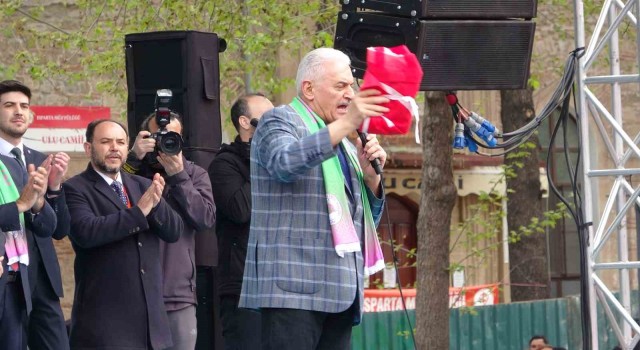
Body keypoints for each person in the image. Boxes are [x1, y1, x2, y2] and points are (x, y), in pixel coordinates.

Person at [239, 48, 389, 349]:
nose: (350, 94)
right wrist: (347, 126)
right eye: (340, 86)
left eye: (351, 85)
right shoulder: (279, 121)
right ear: (308, 88)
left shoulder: (345, 145)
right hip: (293, 292)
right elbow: (285, 163)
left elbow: (362, 221)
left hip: (341, 292)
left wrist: (371, 177)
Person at [64, 119, 184, 349]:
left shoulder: (142, 184)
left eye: (120, 142)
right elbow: (86, 232)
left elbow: (174, 231)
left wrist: (155, 205)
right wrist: (140, 212)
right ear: (88, 148)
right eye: (106, 142)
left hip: (152, 325)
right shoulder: (75, 188)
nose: (114, 148)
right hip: (105, 324)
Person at [123, 111, 216, 350]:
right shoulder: (132, 172)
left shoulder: (195, 174)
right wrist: (133, 158)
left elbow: (205, 219)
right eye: (159, 136)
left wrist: (179, 177)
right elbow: (110, 199)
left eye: (173, 136)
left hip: (177, 292)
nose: (166, 142)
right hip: (133, 291)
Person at [0, 79, 71, 350]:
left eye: (24, 106)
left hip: (42, 278)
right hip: (8, 277)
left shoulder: (41, 159)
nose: (18, 111)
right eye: (9, 105)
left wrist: (53, 189)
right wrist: (21, 203)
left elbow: (57, 230)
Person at [208, 93, 273, 349]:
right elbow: (240, 210)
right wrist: (262, 157)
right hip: (243, 285)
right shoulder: (224, 164)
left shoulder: (280, 162)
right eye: (267, 118)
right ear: (246, 122)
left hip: (281, 282)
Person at [0, 153, 57, 350]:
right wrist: (19, 205)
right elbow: (18, 206)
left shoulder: (12, 164)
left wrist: (38, 202)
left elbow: (47, 228)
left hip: (15, 286)